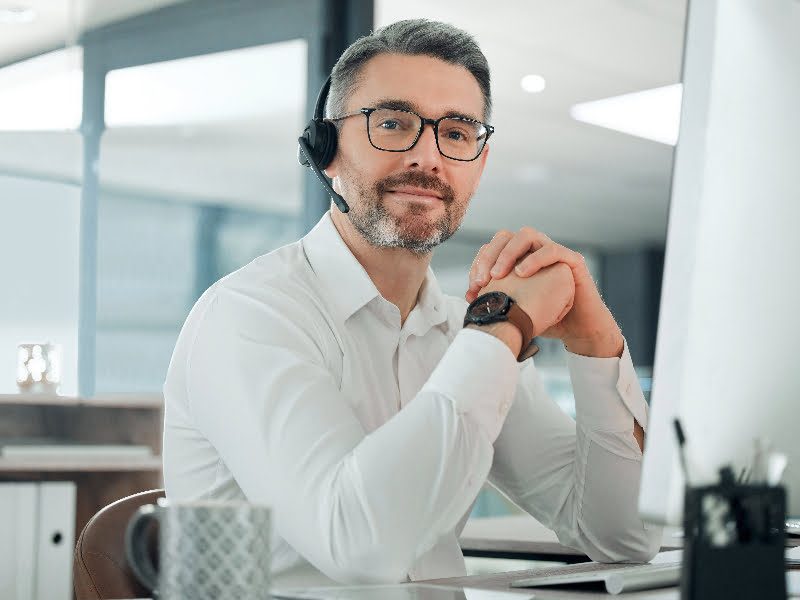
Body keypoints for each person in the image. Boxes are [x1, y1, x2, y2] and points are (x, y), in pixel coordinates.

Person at [162, 18, 660, 587]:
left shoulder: (463, 332)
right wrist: (505, 325)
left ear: (479, 162)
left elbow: (622, 535)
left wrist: (597, 345)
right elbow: (357, 547)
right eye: (393, 124)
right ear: (325, 151)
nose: (428, 157)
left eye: (456, 133)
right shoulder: (249, 315)